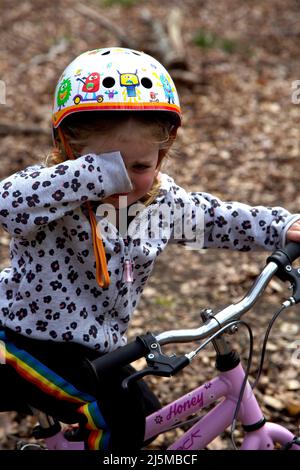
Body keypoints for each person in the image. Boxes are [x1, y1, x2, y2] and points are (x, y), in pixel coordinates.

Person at [0, 47, 300, 451]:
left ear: (162, 155)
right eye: (106, 166)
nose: (122, 183)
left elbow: (213, 219)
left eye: (140, 167)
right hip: (25, 342)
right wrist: (96, 176)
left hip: (98, 350)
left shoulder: (156, 204)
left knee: (147, 420)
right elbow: (7, 205)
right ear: (70, 153)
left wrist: (282, 227)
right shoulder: (51, 198)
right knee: (119, 420)